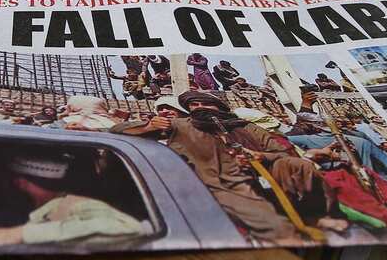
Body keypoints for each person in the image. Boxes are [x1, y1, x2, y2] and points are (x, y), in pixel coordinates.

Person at [115, 90, 343, 243]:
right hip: (222, 183)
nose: (200, 108)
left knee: (299, 165)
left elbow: (283, 151)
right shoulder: (179, 125)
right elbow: (116, 133)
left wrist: (260, 156)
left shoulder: (245, 126)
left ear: (219, 107)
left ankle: (317, 215)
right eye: (194, 104)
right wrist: (147, 127)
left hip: (266, 174)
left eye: (206, 103)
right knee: (279, 230)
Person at [0, 152, 145, 247]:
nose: (53, 190)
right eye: (44, 184)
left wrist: (18, 235)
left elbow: (129, 229)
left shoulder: (72, 204)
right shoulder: (1, 210)